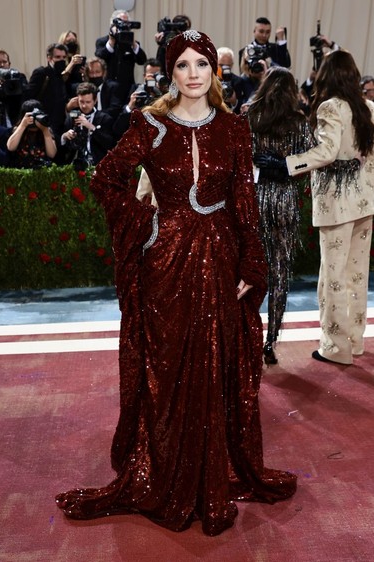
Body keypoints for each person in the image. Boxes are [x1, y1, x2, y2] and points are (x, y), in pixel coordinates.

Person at [55, 30, 296, 536]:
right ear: (171, 72)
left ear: (213, 71)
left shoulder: (234, 129)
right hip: (164, 259)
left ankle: (214, 466)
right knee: (167, 365)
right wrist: (146, 222)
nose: (192, 73)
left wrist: (254, 265)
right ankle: (164, 463)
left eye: (201, 64)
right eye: (182, 65)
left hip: (221, 256)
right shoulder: (148, 123)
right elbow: (105, 178)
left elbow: (246, 208)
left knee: (216, 360)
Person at [256, 50, 374, 365]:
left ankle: (336, 348)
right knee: (357, 275)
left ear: (326, 76)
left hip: (337, 204)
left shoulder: (330, 107)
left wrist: (287, 164)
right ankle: (355, 341)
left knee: (333, 276)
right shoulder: (369, 108)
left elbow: (327, 151)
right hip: (365, 203)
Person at [247, 67, 316, 365]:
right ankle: (270, 340)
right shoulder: (299, 122)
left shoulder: (250, 117)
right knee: (279, 274)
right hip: (284, 199)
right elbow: (313, 158)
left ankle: (248, 335)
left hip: (255, 199)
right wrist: (286, 165)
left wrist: (265, 166)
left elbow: (239, 157)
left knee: (249, 272)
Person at [95, 9, 147, 104]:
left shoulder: (132, 43)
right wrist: (111, 41)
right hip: (110, 88)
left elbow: (142, 60)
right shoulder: (102, 41)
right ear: (112, 24)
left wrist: (133, 44)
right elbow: (100, 57)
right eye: (120, 22)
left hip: (128, 88)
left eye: (126, 23)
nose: (124, 25)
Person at [61, 82, 115, 170]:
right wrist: (65, 136)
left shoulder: (105, 118)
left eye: (88, 102)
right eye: (81, 101)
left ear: (95, 100)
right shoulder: (71, 117)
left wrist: (91, 127)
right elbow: (63, 149)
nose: (84, 105)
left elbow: (110, 144)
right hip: (75, 165)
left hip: (98, 165)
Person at [24, 43, 69, 142]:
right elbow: (29, 96)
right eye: (57, 57)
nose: (61, 60)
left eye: (64, 57)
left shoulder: (62, 75)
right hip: (43, 124)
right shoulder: (41, 73)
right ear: (49, 58)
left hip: (60, 125)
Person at [113, 58, 164, 139]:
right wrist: (130, 106)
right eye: (151, 74)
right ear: (144, 76)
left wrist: (162, 92)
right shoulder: (136, 90)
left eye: (156, 75)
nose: (153, 78)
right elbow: (119, 127)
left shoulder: (165, 93)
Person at [6, 99, 57, 168]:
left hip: (42, 172)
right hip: (20, 171)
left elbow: (52, 154)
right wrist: (22, 125)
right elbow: (11, 147)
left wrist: (45, 131)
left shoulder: (46, 130)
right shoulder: (18, 129)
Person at [217, 46, 245, 114]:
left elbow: (240, 111)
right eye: (221, 65)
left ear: (232, 65)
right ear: (215, 63)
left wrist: (234, 102)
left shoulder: (238, 81)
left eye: (228, 66)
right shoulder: (208, 79)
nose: (224, 68)